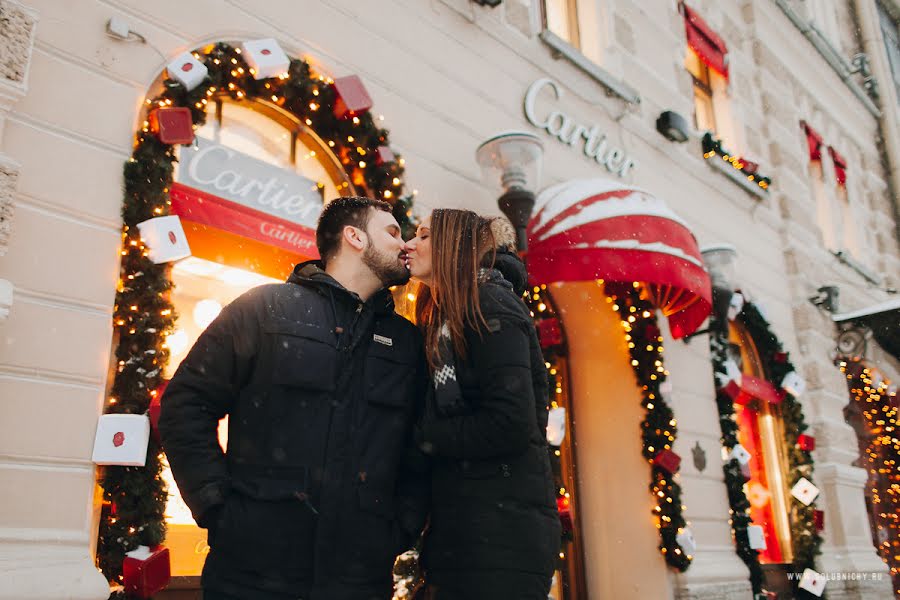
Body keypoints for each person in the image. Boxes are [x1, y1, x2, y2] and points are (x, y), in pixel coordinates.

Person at [159, 196, 429, 600]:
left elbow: (420, 447)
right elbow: (185, 405)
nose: (404, 244)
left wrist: (398, 528)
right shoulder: (264, 310)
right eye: (392, 232)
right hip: (250, 577)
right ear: (354, 237)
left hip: (358, 582)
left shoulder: (406, 343)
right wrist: (218, 508)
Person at [404, 209, 560, 600]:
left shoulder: (491, 303)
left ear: (454, 245)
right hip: (470, 526)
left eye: (424, 236)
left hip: (501, 534)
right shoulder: (444, 314)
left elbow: (510, 422)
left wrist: (424, 436)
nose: (410, 244)